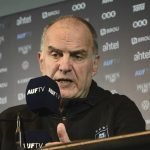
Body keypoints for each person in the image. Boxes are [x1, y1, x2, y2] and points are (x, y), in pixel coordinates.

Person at [0, 15, 145, 150]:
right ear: (41, 62)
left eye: (77, 56)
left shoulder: (120, 112)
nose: (64, 67)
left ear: (94, 64)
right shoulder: (9, 121)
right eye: (56, 54)